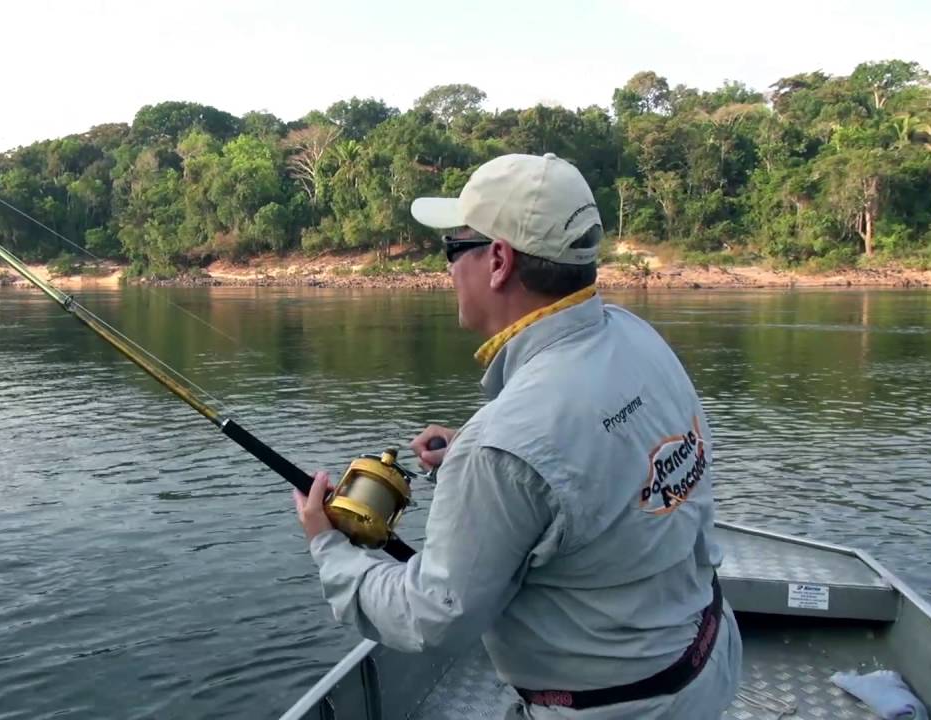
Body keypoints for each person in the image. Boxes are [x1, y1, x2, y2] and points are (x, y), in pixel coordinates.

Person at [292, 153, 741, 719]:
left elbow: (431, 618)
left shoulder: (504, 446)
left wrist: (327, 546)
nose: (447, 270)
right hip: (708, 664)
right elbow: (605, 457)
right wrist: (475, 461)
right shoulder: (635, 336)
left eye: (453, 250)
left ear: (499, 260)